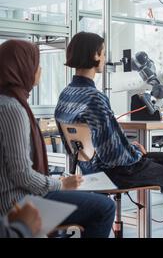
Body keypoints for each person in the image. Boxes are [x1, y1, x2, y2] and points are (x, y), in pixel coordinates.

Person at [54, 31, 163, 238]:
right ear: (95, 56)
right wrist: (136, 154)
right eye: (103, 53)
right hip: (118, 171)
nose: (105, 58)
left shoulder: (66, 95)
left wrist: (132, 149)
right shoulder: (94, 98)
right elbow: (112, 155)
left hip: (89, 168)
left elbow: (87, 145)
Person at [0, 39, 115, 238]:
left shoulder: (8, 101)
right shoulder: (13, 109)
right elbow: (22, 175)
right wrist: (60, 184)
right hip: (15, 204)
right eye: (36, 64)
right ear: (22, 68)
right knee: (105, 207)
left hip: (13, 196)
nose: (41, 69)